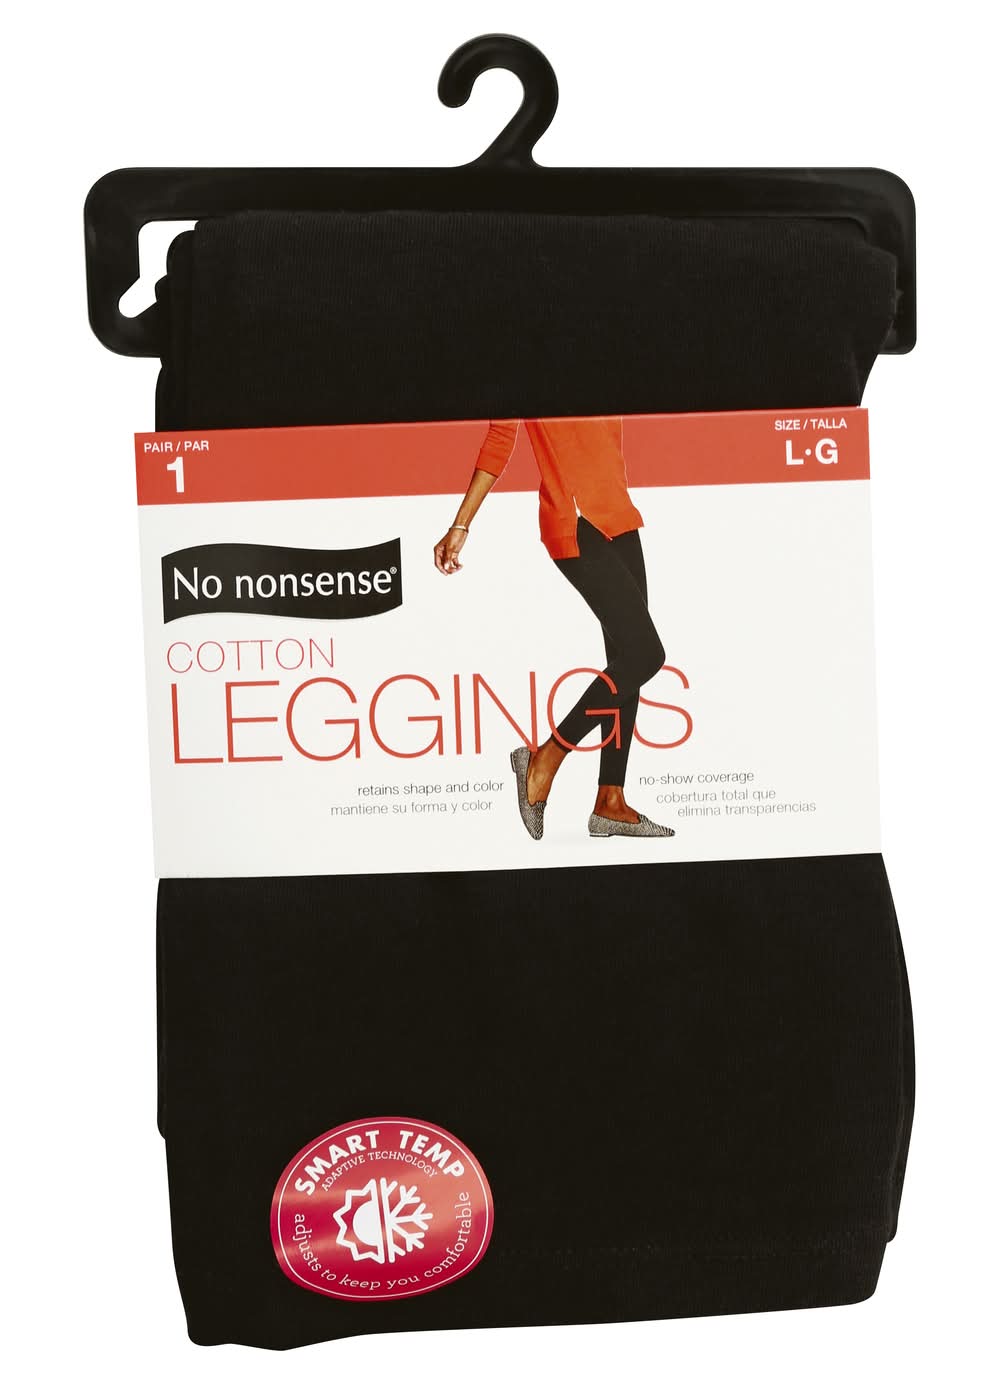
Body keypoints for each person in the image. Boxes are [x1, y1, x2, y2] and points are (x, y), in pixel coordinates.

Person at [434, 417, 675, 842]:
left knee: (626, 663)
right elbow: (500, 438)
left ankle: (610, 800)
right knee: (645, 655)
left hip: (618, 513)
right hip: (575, 517)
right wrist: (461, 524)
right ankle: (545, 758)